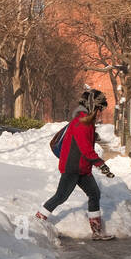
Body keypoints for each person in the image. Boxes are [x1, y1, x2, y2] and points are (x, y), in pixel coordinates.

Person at [37, 87, 116, 239]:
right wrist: (101, 165)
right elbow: (86, 149)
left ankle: (97, 232)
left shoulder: (87, 122)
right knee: (61, 196)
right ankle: (38, 219)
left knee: (94, 194)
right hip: (72, 168)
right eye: (100, 109)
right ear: (93, 107)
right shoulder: (82, 123)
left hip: (82, 168)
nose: (101, 112)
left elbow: (84, 145)